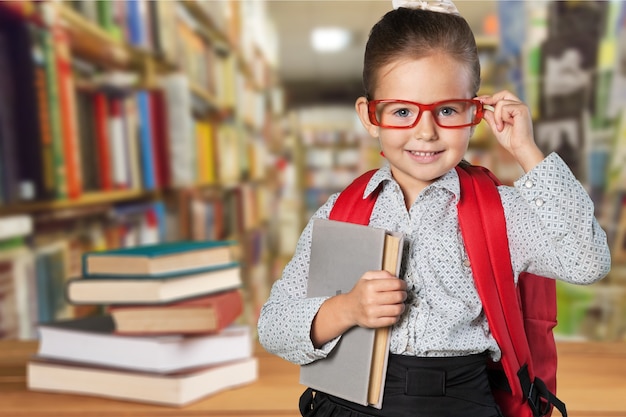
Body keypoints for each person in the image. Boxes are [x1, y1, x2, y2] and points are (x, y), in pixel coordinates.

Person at [257, 1, 611, 416]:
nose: (426, 132)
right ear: (370, 117)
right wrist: (346, 309)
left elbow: (588, 262)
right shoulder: (340, 212)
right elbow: (273, 326)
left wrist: (527, 152)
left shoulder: (502, 210)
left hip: (462, 401)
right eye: (403, 111)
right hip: (351, 401)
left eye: (446, 110)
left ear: (476, 112)